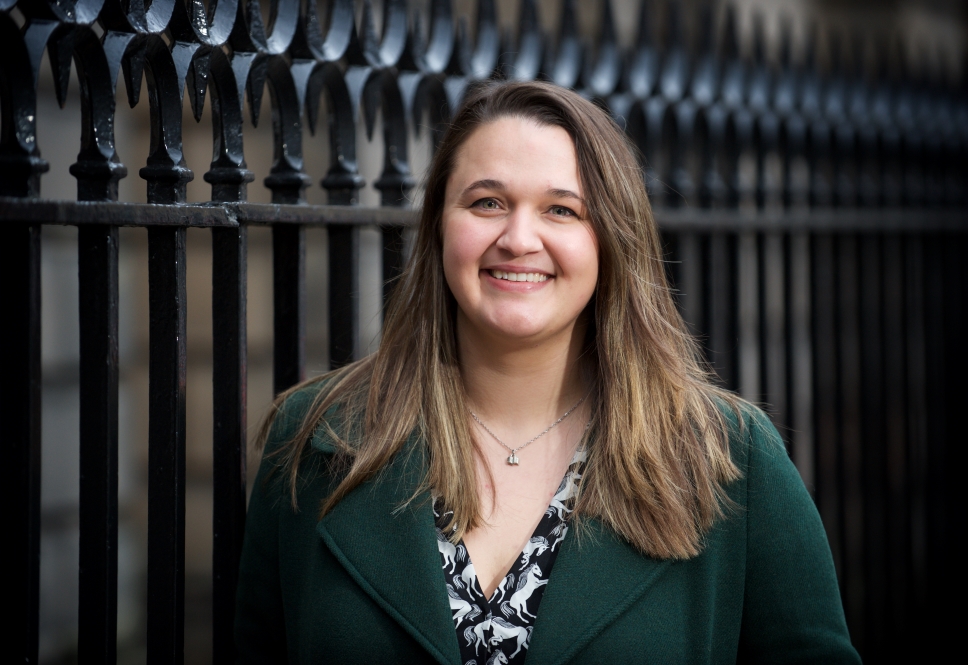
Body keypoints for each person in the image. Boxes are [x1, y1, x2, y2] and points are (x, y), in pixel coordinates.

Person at [234, 80, 860, 665]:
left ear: (610, 239)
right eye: (487, 202)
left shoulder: (728, 456)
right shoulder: (316, 439)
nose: (518, 238)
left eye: (561, 210)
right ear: (439, 226)